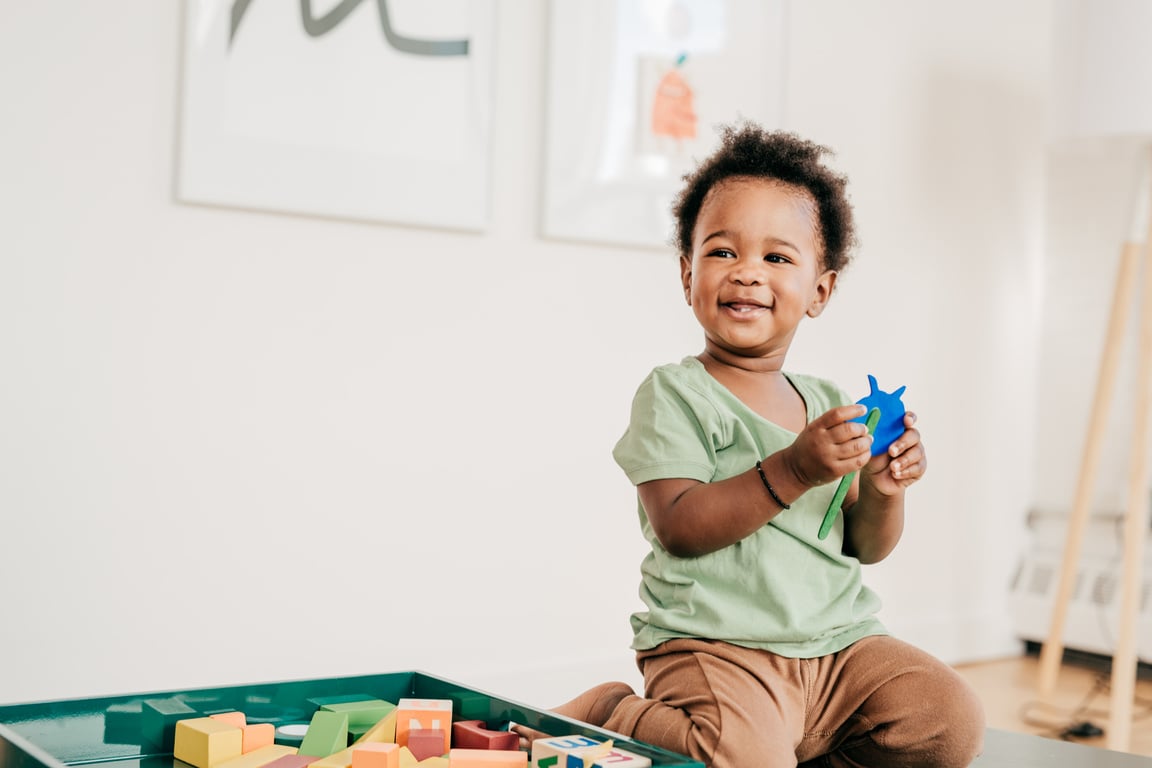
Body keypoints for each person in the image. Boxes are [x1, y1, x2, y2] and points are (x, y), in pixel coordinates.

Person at [543, 123, 985, 767]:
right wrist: (795, 466)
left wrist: (887, 491)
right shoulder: (675, 394)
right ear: (688, 273)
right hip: (717, 648)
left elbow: (863, 544)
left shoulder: (828, 405)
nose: (748, 272)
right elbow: (681, 526)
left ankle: (786, 749)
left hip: (838, 648)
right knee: (743, 754)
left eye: (778, 258)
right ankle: (620, 714)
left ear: (820, 292)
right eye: (723, 253)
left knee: (948, 722)